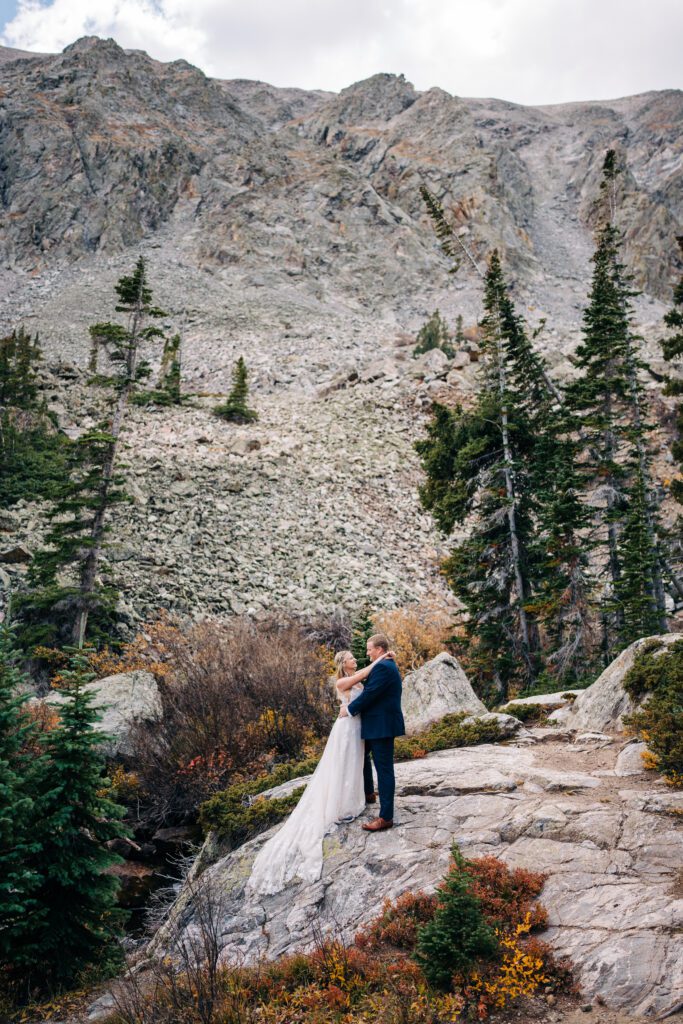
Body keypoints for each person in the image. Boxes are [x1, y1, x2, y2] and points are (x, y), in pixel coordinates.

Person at [245, 648, 390, 895]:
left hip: (356, 727)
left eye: (356, 657)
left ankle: (355, 796)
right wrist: (381, 660)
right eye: (352, 658)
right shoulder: (342, 680)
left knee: (354, 765)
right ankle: (341, 801)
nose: (356, 660)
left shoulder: (355, 678)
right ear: (344, 664)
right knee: (343, 764)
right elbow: (365, 674)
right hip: (346, 729)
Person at [338, 633, 405, 831]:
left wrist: (348, 710)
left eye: (369, 649)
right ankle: (368, 793)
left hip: (381, 726)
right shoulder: (383, 664)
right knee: (363, 757)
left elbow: (369, 695)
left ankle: (386, 817)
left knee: (384, 770)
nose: (367, 653)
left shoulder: (384, 667)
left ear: (379, 649)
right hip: (376, 724)